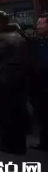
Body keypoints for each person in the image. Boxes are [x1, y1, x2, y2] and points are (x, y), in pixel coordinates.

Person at [0, 11, 30, 155]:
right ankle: (17, 144)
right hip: (17, 79)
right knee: (16, 112)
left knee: (5, 114)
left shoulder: (1, 38)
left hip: (2, 80)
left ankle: (9, 144)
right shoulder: (17, 35)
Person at [30, 13, 48, 151]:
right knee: (42, 115)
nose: (38, 26)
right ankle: (44, 143)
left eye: (41, 23)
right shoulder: (38, 42)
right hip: (39, 85)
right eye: (38, 23)